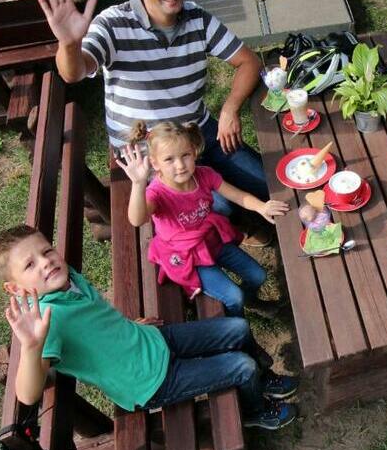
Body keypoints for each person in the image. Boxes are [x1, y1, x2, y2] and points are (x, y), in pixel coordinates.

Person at [35, 0, 270, 245]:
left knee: (269, 181)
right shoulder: (112, 25)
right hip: (150, 156)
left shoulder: (197, 17)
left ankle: (241, 216)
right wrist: (69, 43)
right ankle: (239, 229)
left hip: (199, 133)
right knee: (218, 203)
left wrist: (230, 108)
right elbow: (76, 72)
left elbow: (249, 62)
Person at [0, 225, 298, 429]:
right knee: (240, 366)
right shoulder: (46, 321)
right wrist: (33, 346)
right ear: (15, 288)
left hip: (149, 340)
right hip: (149, 383)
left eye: (46, 251)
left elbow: (95, 319)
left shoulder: (67, 279)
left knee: (238, 329)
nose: (46, 262)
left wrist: (125, 325)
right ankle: (256, 411)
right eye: (30, 265)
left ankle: (262, 378)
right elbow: (27, 394)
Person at [116, 121, 289, 317]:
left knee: (258, 275)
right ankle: (236, 326)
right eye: (169, 160)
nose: (180, 165)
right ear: (155, 163)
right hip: (186, 256)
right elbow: (137, 219)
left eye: (185, 155)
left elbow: (237, 195)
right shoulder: (157, 193)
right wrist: (139, 184)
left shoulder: (204, 174)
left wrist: (261, 206)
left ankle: (251, 301)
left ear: (194, 152)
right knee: (234, 297)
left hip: (211, 241)